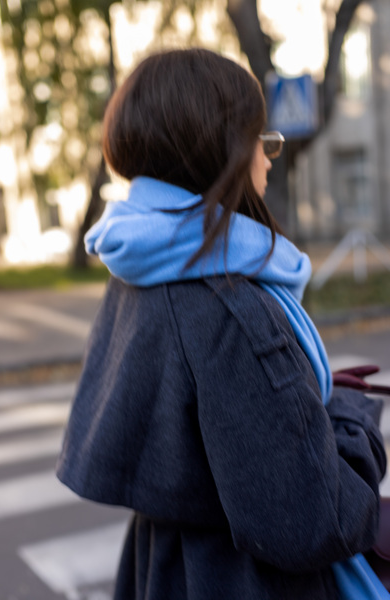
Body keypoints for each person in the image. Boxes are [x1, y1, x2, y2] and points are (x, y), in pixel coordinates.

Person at [57, 48, 389, 600]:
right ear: (222, 151)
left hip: (166, 570)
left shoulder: (141, 266)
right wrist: (353, 419)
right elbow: (313, 521)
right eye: (260, 139)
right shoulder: (231, 306)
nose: (268, 157)